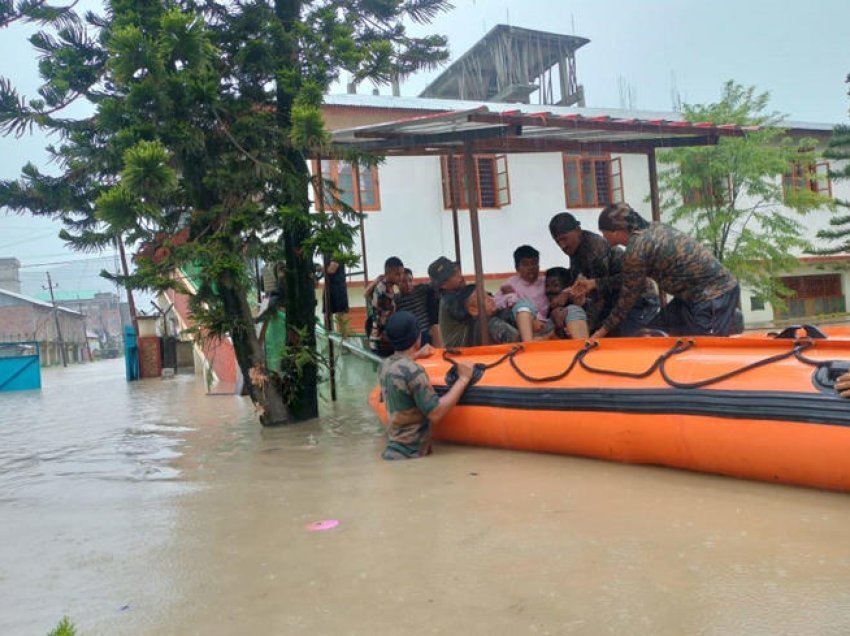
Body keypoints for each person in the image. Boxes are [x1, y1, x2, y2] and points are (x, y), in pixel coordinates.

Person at [583, 202, 741, 338]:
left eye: (604, 233)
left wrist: (600, 332)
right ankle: (728, 319)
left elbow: (627, 298)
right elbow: (632, 278)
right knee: (653, 334)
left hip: (714, 295)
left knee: (702, 350)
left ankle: (730, 320)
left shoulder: (636, 250)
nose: (603, 237)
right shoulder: (652, 228)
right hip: (690, 297)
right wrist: (595, 283)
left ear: (615, 232)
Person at [379, 311, 474, 460]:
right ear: (417, 338)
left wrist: (415, 355)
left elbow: (402, 371)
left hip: (393, 453)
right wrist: (463, 379)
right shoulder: (414, 372)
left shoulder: (384, 365)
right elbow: (436, 413)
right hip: (412, 454)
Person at [548, 211, 659, 336]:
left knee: (628, 345)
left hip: (639, 299)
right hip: (617, 303)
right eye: (558, 242)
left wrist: (588, 326)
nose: (562, 245)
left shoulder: (594, 248)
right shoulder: (575, 250)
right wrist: (566, 295)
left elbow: (600, 294)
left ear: (578, 230)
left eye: (564, 238)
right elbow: (582, 286)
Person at [428, 256, 519, 347]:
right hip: (461, 348)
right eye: (453, 275)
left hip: (471, 337)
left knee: (506, 312)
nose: (459, 275)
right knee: (487, 322)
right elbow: (480, 310)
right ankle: (520, 345)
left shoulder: (460, 291)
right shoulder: (449, 301)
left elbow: (490, 301)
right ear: (443, 285)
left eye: (456, 270)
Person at [365, 256, 405, 356]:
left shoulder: (387, 286)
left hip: (384, 339)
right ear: (387, 273)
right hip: (382, 342)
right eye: (397, 274)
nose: (400, 277)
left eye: (401, 273)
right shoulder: (384, 291)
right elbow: (383, 321)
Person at [395, 268, 443, 347]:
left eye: (410, 280)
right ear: (398, 283)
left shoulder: (421, 289)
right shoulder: (396, 299)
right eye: (403, 281)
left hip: (427, 333)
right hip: (411, 338)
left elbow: (436, 284)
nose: (408, 284)